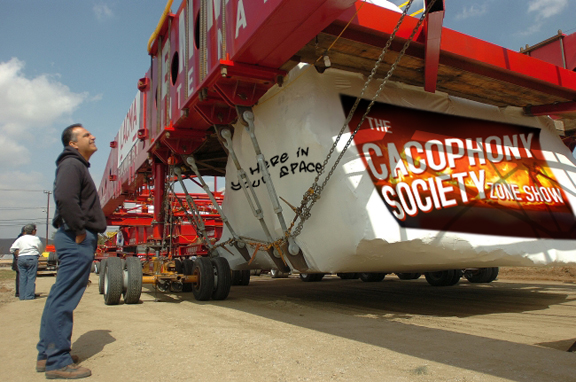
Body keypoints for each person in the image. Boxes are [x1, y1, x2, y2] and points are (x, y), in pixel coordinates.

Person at [36, 123, 107, 379]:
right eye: (87, 134)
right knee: (64, 300)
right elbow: (65, 198)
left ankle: (47, 355)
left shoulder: (74, 165)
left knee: (58, 297)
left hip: (72, 236)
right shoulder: (72, 164)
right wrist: (78, 229)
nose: (93, 135)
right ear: (73, 144)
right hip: (76, 237)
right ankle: (57, 361)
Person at [10, 224, 43, 300]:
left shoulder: (20, 239)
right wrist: (39, 253)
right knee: (31, 277)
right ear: (33, 231)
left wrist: (17, 253)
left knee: (22, 277)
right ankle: (29, 296)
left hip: (21, 258)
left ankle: (22, 296)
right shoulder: (35, 239)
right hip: (32, 257)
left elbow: (12, 249)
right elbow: (41, 248)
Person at [11, 226, 25, 297]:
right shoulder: (21, 239)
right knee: (21, 276)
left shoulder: (19, 238)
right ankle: (20, 292)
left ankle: (19, 292)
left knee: (20, 276)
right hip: (19, 260)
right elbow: (15, 250)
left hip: (18, 260)